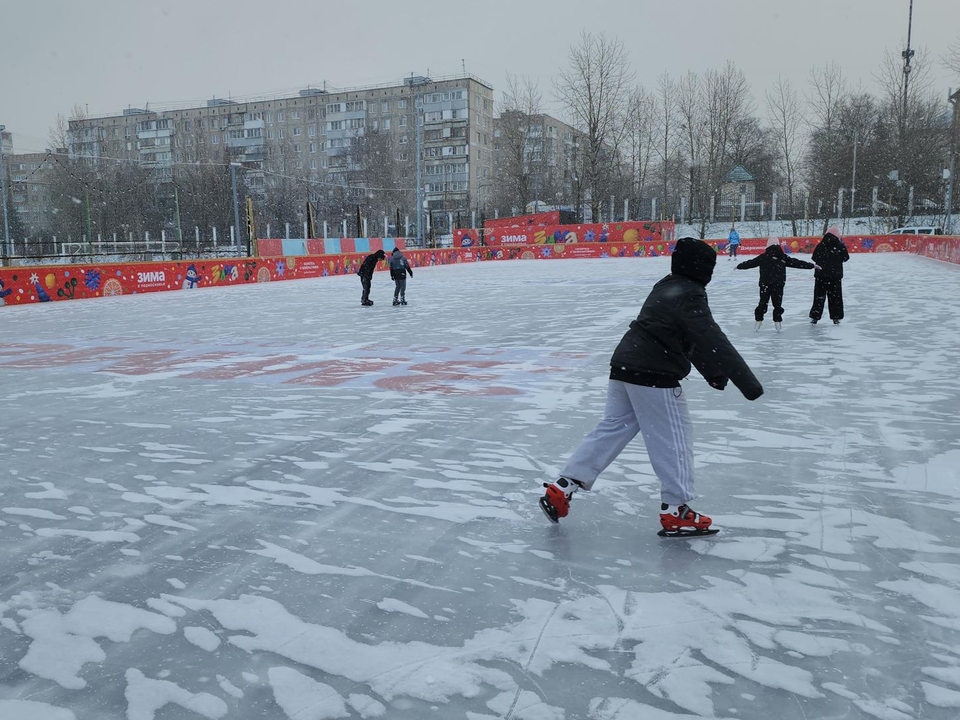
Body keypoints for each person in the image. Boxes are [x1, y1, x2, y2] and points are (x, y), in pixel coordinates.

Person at [540, 237, 764, 536]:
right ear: (702, 269)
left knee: (612, 428)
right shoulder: (690, 294)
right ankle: (676, 510)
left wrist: (713, 374)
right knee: (674, 440)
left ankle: (563, 486)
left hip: (625, 365)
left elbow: (684, 334)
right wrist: (747, 383)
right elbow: (712, 338)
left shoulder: (667, 285)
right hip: (653, 374)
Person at [736, 237, 818, 331]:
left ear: (767, 246)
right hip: (778, 285)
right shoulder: (782, 257)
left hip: (765, 284)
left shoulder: (763, 257)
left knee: (763, 303)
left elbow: (750, 263)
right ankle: (777, 322)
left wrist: (739, 266)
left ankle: (758, 321)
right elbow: (796, 263)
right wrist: (811, 265)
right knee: (777, 304)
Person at [808, 227, 849, 325]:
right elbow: (846, 257)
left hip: (821, 275)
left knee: (819, 297)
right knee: (835, 297)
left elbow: (814, 257)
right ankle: (836, 317)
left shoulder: (821, 245)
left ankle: (815, 317)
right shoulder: (840, 245)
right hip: (835, 276)